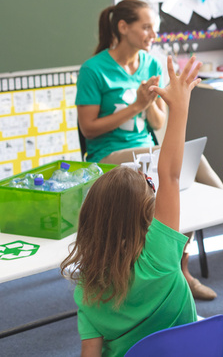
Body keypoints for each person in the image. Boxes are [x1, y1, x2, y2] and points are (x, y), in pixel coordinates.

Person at [75, 0, 223, 300]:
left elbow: (160, 119)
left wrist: (150, 103)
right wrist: (136, 105)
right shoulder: (94, 69)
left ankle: (183, 267)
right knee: (176, 173)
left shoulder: (150, 64)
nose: (153, 35)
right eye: (146, 27)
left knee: (191, 165)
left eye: (155, 28)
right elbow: (88, 128)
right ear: (123, 27)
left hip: (146, 152)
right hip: (108, 158)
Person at [61, 55, 200, 357]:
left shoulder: (88, 290)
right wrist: (181, 106)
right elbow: (171, 176)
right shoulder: (160, 255)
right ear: (145, 213)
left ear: (90, 219)